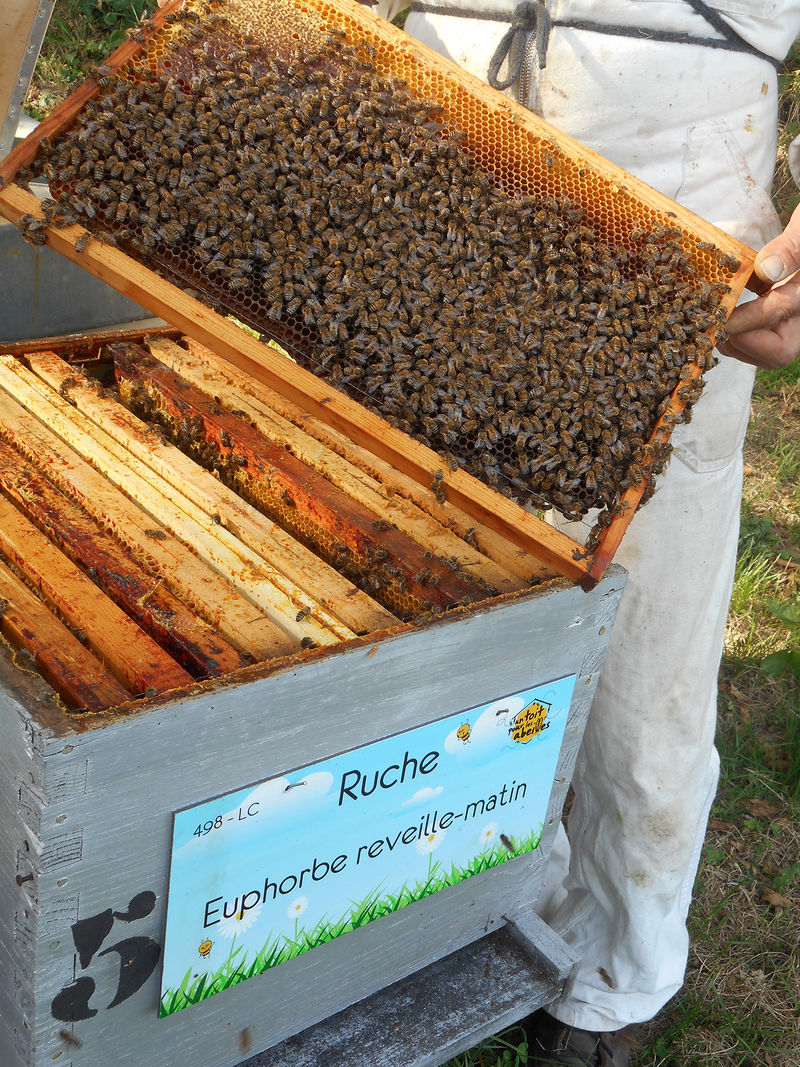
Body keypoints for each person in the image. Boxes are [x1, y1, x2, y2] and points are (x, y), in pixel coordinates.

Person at [370, 0, 800, 1063]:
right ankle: (463, 906)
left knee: (641, 673)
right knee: (440, 610)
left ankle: (614, 965)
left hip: (673, 200)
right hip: (430, 158)